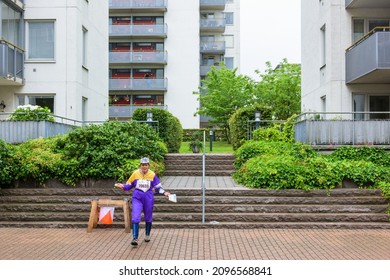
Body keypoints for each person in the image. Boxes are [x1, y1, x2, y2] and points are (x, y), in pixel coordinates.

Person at [115, 157, 170, 247]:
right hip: (137, 197)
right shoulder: (135, 174)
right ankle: (135, 238)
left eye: (146, 165)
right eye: (142, 165)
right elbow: (129, 185)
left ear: (148, 166)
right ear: (140, 165)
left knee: (148, 217)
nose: (144, 167)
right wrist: (123, 186)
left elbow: (158, 188)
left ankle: (147, 235)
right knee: (135, 217)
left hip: (148, 198)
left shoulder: (152, 175)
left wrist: (165, 193)